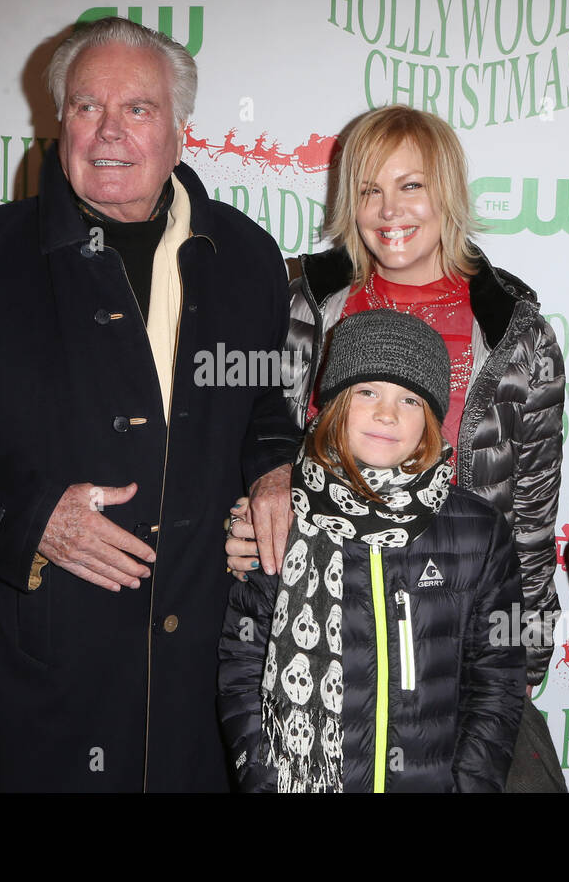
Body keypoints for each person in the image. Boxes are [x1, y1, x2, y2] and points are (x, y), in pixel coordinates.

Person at [0, 17, 300, 792]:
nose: (109, 132)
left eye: (137, 109)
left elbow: (264, 407)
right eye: (85, 107)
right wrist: (33, 513)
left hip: (208, 686)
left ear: (181, 130)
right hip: (47, 683)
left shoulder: (246, 257)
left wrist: (276, 471)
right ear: (58, 121)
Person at [225, 105, 566, 790]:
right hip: (321, 641)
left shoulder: (514, 333)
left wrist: (515, 671)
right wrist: (257, 512)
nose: (389, 210)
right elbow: (265, 437)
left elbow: (530, 521)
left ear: (448, 193)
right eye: (369, 189)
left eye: (411, 185)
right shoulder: (308, 306)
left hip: (452, 654)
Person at [218, 310, 525, 791]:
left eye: (409, 399)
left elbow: (497, 682)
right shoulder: (284, 517)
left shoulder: (478, 531)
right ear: (335, 404)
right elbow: (242, 667)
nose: (388, 413)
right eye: (368, 392)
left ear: (431, 418)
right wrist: (261, 778)